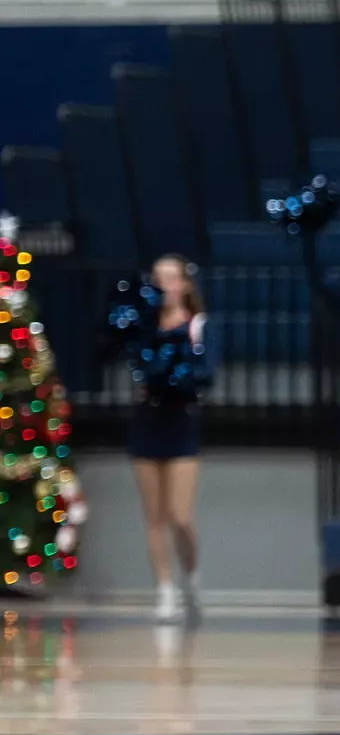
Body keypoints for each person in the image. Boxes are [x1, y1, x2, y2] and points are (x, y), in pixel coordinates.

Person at [126, 254, 215, 623]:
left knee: (180, 515)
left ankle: (191, 577)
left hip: (180, 419)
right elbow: (135, 364)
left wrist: (178, 375)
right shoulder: (143, 326)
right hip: (149, 419)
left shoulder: (199, 326)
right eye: (157, 279)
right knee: (154, 517)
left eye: (170, 278)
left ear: (185, 284)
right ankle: (164, 591)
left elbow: (206, 372)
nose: (163, 286)